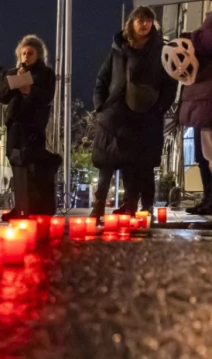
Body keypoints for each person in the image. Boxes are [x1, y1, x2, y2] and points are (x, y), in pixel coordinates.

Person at [91, 6, 177, 218]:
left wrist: (159, 108)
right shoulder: (118, 49)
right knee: (106, 160)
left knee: (141, 163)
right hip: (114, 114)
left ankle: (139, 205)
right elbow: (102, 79)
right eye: (140, 19)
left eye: (148, 20)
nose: (144, 23)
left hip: (145, 115)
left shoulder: (161, 50)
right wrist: (100, 105)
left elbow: (170, 82)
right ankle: (99, 204)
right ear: (131, 23)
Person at [0, 35, 57, 219]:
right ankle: (20, 206)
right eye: (23, 53)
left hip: (33, 125)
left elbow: (47, 98)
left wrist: (30, 90)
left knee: (32, 166)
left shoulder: (45, 74)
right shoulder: (12, 72)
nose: (26, 56)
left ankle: (34, 207)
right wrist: (13, 82)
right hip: (14, 124)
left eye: (30, 53)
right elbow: (1, 96)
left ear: (38, 55)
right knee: (16, 164)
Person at [179, 13, 212, 215]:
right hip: (203, 104)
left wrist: (191, 37)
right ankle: (208, 198)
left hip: (205, 103)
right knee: (202, 157)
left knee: (206, 156)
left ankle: (209, 199)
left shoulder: (200, 36)